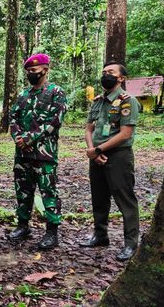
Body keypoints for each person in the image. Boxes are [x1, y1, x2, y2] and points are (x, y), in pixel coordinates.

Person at [79, 62, 141, 261]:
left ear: (121, 78)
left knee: (125, 199)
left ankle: (131, 244)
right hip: (96, 156)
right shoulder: (98, 101)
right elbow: (89, 129)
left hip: (118, 156)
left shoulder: (127, 101)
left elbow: (125, 134)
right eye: (104, 72)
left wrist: (98, 150)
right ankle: (100, 235)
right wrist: (92, 151)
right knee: (99, 197)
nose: (106, 75)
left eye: (111, 72)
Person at [8, 53, 68, 250]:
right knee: (23, 192)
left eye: (34, 71)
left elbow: (54, 120)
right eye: (28, 72)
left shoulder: (55, 92)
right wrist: (18, 137)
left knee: (48, 192)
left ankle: (52, 232)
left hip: (44, 155)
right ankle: (23, 226)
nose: (31, 74)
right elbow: (13, 118)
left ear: (45, 69)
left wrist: (30, 138)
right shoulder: (24, 95)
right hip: (22, 155)